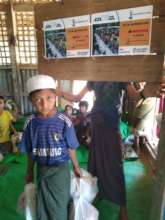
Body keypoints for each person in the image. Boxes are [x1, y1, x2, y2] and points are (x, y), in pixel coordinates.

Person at [56, 78, 165, 220]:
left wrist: (146, 92)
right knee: (95, 164)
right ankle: (96, 192)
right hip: (97, 127)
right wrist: (58, 92)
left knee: (116, 166)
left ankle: (123, 207)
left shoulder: (120, 75)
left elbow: (133, 95)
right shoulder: (94, 77)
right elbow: (77, 97)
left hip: (112, 127)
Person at [20, 74, 81, 220]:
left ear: (55, 97)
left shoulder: (64, 121)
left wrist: (76, 167)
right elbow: (29, 150)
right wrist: (29, 171)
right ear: (31, 101)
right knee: (42, 208)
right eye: (38, 100)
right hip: (41, 170)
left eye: (49, 98)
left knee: (58, 209)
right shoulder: (30, 123)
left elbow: (70, 147)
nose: (44, 104)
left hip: (60, 170)